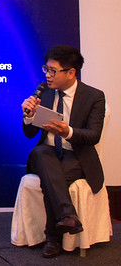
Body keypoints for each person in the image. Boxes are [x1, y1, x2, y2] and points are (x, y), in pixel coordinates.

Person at [21, 45, 105, 258]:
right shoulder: (45, 93)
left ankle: (53, 237)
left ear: (71, 73)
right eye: (46, 69)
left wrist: (67, 131)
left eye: (53, 71)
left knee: (51, 178)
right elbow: (29, 134)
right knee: (41, 153)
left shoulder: (94, 96)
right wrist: (28, 116)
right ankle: (68, 216)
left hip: (76, 156)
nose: (47, 76)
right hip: (47, 153)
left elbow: (93, 135)